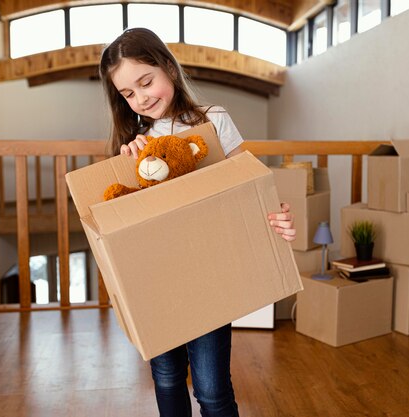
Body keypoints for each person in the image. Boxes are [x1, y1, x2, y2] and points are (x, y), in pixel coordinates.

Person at [99, 28, 296, 417]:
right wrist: (126, 161)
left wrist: (278, 215)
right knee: (167, 377)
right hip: (157, 280)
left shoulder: (213, 121)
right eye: (128, 94)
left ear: (169, 69)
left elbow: (250, 183)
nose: (141, 98)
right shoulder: (134, 142)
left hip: (209, 276)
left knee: (211, 389)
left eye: (146, 82)